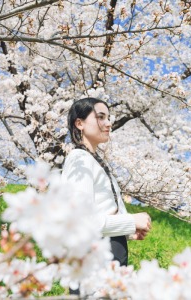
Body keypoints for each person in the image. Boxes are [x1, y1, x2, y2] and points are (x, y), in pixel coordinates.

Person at [62, 98, 152, 271]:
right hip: (94, 259)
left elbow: (101, 211)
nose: (108, 123)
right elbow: (81, 220)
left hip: (107, 255)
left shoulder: (93, 160)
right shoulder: (79, 159)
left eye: (109, 118)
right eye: (101, 117)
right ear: (79, 123)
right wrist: (131, 220)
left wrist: (128, 231)